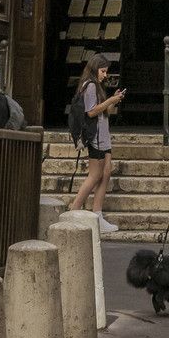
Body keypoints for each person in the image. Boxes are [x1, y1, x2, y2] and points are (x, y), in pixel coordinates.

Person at [66, 52, 125, 231]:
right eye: (103, 71)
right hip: (96, 138)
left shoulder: (96, 86)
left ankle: (97, 215)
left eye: (106, 72)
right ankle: (72, 211)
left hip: (103, 137)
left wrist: (113, 100)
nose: (104, 75)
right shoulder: (90, 85)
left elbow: (101, 112)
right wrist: (110, 100)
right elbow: (91, 112)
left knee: (105, 173)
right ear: (95, 69)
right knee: (95, 176)